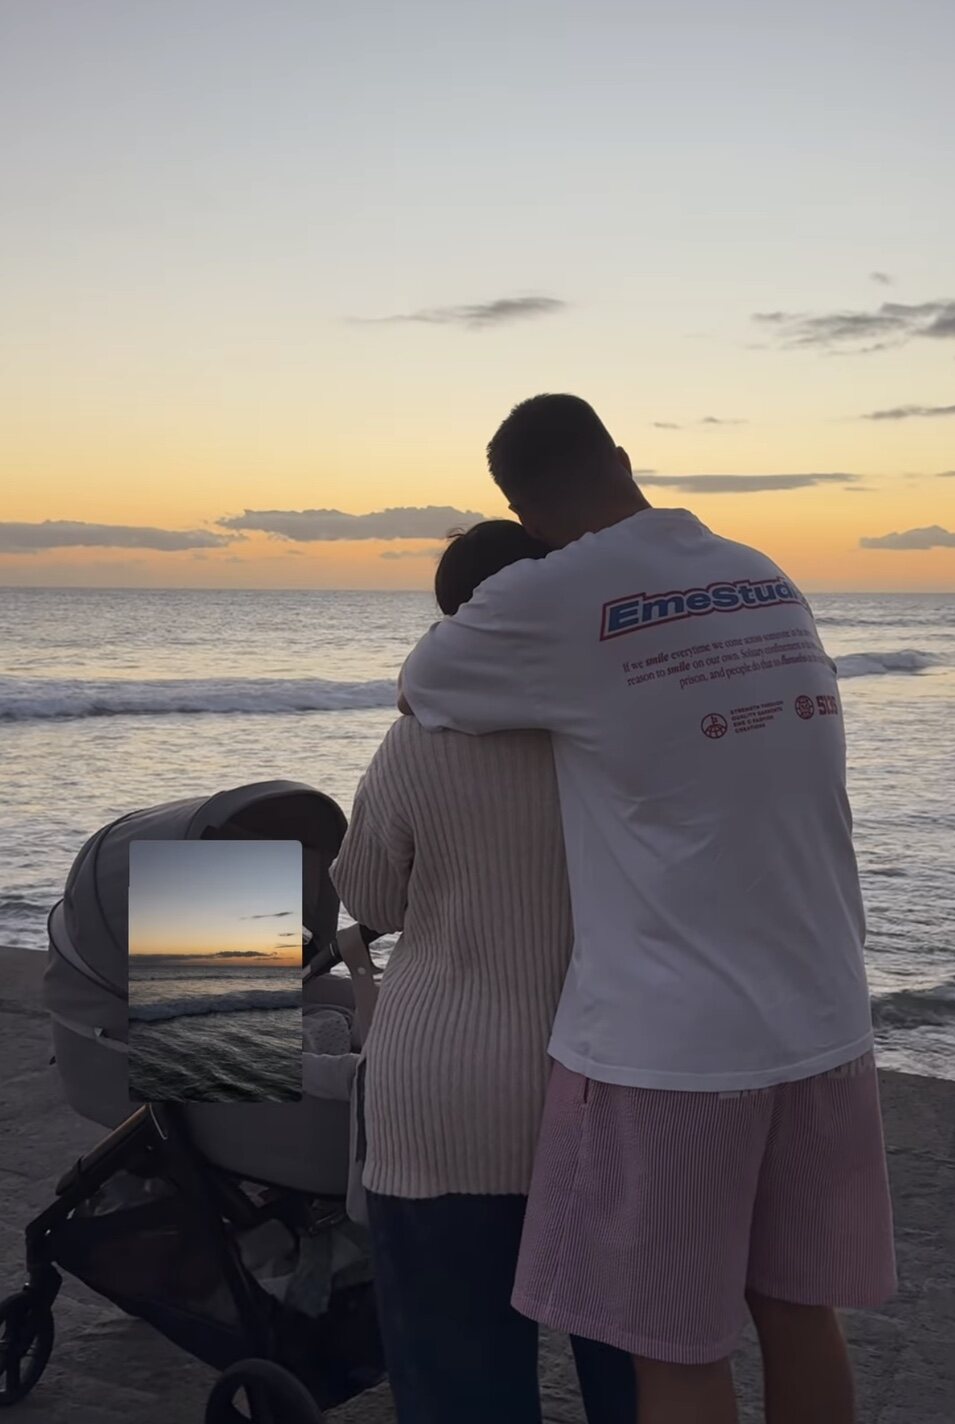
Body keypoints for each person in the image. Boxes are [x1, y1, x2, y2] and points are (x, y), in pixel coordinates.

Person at [397, 395, 896, 1424]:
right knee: (801, 1313)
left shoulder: (554, 590)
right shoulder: (763, 571)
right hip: (827, 1017)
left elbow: (425, 685)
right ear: (623, 458)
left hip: (671, 1049)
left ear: (523, 518)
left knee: (669, 1347)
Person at [329, 519, 638, 1424]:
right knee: (633, 1378)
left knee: (460, 1380)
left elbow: (373, 898)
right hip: (608, 1085)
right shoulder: (623, 730)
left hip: (441, 1100)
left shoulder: (419, 738)